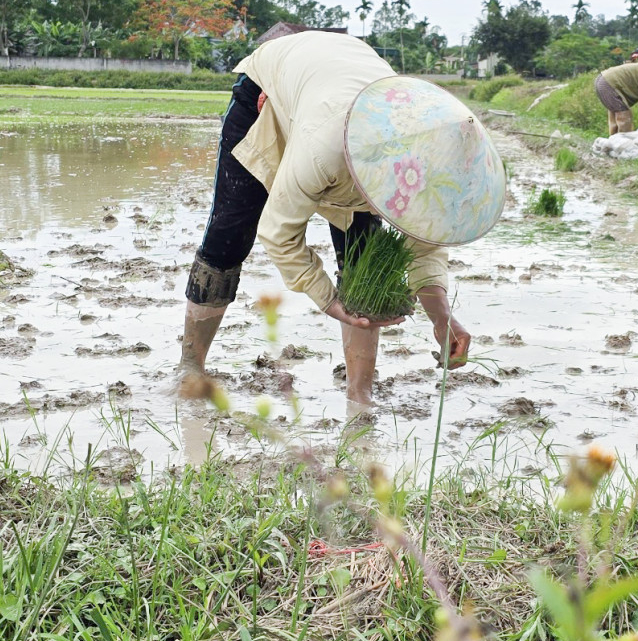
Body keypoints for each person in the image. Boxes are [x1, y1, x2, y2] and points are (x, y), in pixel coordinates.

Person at [179, 29, 506, 410]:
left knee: (364, 258)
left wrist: (442, 317)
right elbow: (279, 231)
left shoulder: (430, 166)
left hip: (339, 83)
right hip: (272, 90)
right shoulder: (325, 148)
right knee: (230, 232)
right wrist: (327, 299)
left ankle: (360, 394)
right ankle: (191, 365)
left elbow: (424, 243)